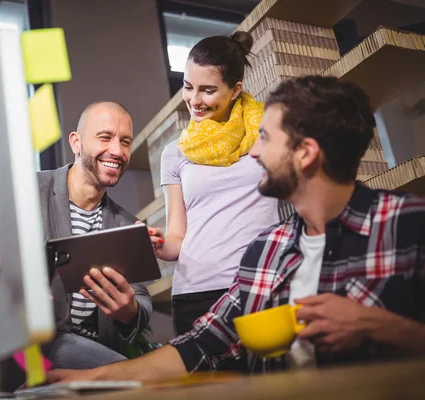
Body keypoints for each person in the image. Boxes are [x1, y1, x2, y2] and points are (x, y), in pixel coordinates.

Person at [47, 76, 425, 382]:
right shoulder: (266, 252)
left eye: (264, 138)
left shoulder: (407, 225)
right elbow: (201, 344)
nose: (254, 154)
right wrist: (95, 378)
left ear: (306, 153)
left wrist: (379, 327)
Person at [150, 32, 279, 337]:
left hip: (259, 286)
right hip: (194, 294)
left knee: (271, 385)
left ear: (235, 90)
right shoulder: (175, 153)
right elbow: (177, 238)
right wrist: (157, 244)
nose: (194, 100)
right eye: (188, 87)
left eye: (208, 91)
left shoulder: (268, 135)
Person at [38, 101, 153, 369]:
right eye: (105, 137)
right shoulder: (29, 192)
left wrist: (130, 311)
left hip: (94, 349)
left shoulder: (126, 224)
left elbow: (142, 299)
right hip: (32, 352)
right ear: (76, 142)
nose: (117, 151)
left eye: (125, 141)